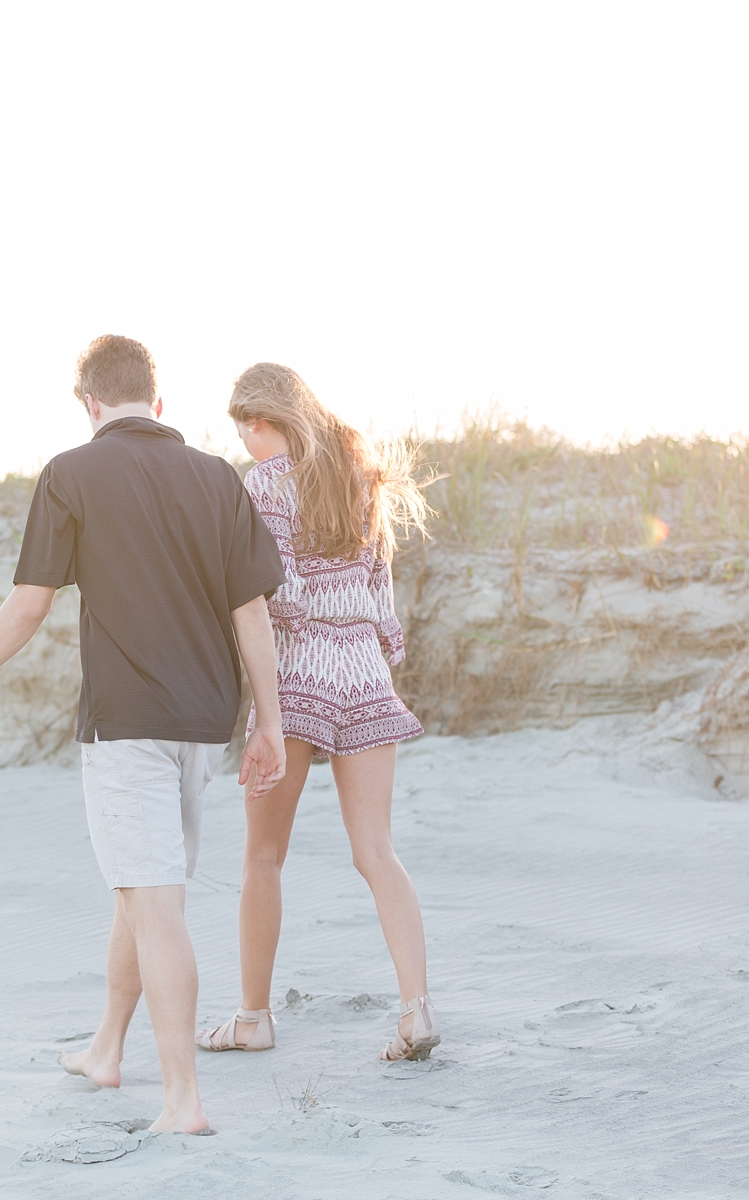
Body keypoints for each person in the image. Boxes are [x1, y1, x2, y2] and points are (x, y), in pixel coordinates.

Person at [0, 335, 288, 1134]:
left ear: (88, 402)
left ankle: (183, 1100)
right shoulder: (217, 477)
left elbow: (29, 603)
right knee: (142, 885)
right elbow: (250, 612)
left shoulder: (72, 472)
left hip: (127, 723)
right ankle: (106, 1048)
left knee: (154, 905)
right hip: (203, 723)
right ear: (158, 401)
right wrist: (271, 724)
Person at [195, 362, 440, 1062]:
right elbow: (380, 587)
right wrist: (372, 641)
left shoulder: (267, 482)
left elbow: (282, 594)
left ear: (266, 420)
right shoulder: (359, 473)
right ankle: (416, 1008)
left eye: (250, 428)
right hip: (363, 667)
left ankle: (252, 1018)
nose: (247, 442)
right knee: (377, 852)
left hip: (300, 668)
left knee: (263, 857)